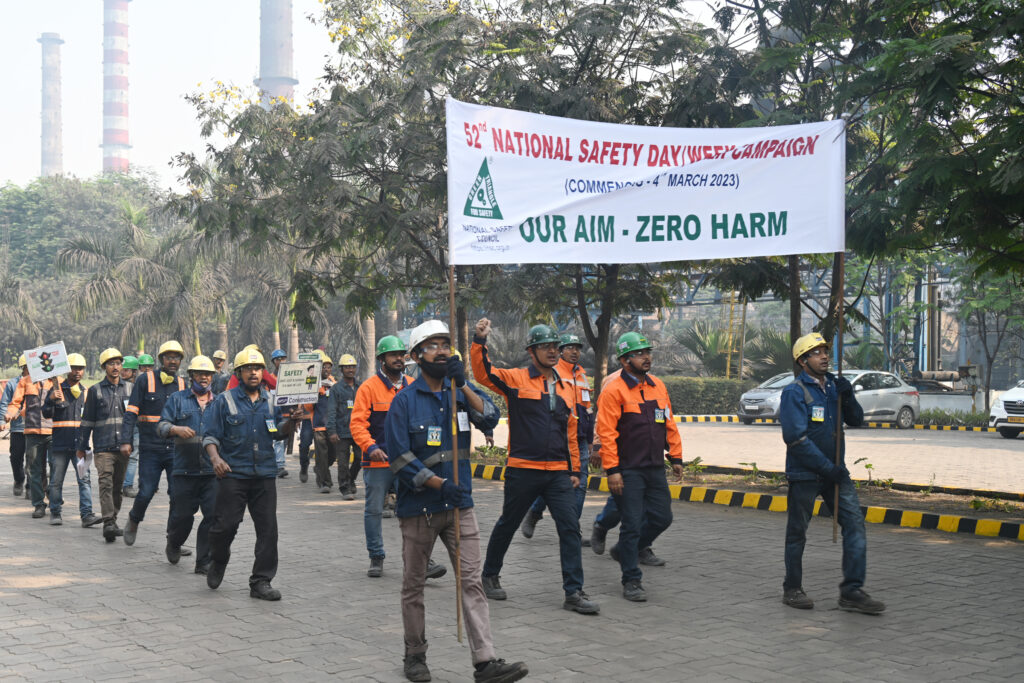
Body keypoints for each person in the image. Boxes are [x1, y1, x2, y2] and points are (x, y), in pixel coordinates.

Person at [384, 320, 527, 683]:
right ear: (416, 356)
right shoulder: (403, 402)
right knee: (414, 585)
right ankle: (415, 654)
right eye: (432, 346)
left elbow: (490, 416)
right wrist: (436, 483)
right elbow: (399, 458)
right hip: (419, 509)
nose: (442, 351)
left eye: (446, 344)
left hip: (460, 506)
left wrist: (463, 383)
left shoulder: (459, 392)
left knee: (472, 582)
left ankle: (485, 661)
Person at [471, 318, 598, 615]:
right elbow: (483, 374)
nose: (553, 351)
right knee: (508, 523)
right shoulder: (515, 379)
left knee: (569, 528)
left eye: (555, 346)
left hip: (557, 473)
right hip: (523, 468)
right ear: (532, 351)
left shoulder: (565, 386)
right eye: (545, 346)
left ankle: (574, 592)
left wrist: (574, 470)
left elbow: (570, 431)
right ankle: (489, 574)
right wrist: (479, 342)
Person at [780, 333, 885, 614]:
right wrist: (829, 468)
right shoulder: (795, 392)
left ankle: (851, 591)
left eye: (825, 351)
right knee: (797, 533)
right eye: (816, 353)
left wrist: (848, 396)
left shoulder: (832, 390)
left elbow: (856, 420)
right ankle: (792, 588)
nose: (824, 356)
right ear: (803, 361)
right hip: (806, 475)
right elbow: (795, 439)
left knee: (855, 525)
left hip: (836, 473)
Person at [201, 347, 296, 600]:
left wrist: (292, 421)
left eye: (257, 368)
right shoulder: (225, 401)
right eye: (248, 369)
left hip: (264, 474)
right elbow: (210, 435)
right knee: (224, 527)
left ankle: (261, 581)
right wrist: (215, 458)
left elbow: (278, 431)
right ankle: (219, 560)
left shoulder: (272, 401)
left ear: (263, 373)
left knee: (268, 529)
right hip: (233, 474)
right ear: (239, 372)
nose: (253, 372)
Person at [596, 332, 683, 602]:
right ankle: (631, 578)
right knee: (631, 523)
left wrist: (676, 456)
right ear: (624, 360)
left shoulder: (658, 386)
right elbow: (607, 433)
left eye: (647, 352)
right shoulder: (614, 390)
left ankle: (625, 549)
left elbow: (668, 422)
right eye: (639, 353)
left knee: (662, 517)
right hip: (628, 469)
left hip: (655, 466)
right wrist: (612, 471)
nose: (646, 357)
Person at [352, 335, 446, 581]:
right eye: (392, 355)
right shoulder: (368, 388)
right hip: (378, 462)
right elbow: (357, 424)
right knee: (373, 510)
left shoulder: (414, 385)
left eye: (401, 355)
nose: (398, 359)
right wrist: (370, 447)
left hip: (408, 462)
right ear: (382, 359)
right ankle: (376, 556)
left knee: (416, 510)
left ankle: (424, 560)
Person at [521, 332, 594, 540]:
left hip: (579, 439)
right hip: (557, 437)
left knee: (579, 483)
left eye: (577, 348)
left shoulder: (581, 375)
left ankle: (573, 530)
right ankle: (535, 512)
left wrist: (589, 440)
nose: (574, 351)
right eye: (570, 347)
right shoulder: (552, 372)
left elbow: (586, 409)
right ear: (560, 351)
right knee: (553, 483)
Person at [121, 341, 187, 548]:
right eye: (169, 357)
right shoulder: (144, 380)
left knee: (177, 495)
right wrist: (126, 441)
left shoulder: (183, 384)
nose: (173, 361)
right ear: (161, 360)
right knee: (146, 491)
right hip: (151, 448)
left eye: (177, 357)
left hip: (176, 450)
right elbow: (131, 412)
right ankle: (134, 519)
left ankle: (173, 540)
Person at [158, 355, 218, 575]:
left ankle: (203, 561)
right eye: (200, 373)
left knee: (211, 517)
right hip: (184, 471)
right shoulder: (177, 399)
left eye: (208, 374)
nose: (204, 377)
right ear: (191, 375)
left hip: (212, 472)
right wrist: (176, 429)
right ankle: (174, 542)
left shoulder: (220, 402)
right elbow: (161, 425)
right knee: (182, 517)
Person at [78, 348, 132, 541]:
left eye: (118, 363)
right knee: (105, 483)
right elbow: (87, 421)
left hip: (124, 448)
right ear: (104, 367)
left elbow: (134, 419)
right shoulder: (95, 391)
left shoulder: (130, 389)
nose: (115, 367)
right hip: (103, 447)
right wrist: (82, 446)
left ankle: (113, 519)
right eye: (111, 363)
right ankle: (108, 522)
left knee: (117, 487)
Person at [42, 353, 103, 528]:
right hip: (60, 444)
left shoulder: (87, 393)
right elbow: (46, 413)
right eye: (74, 368)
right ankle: (55, 512)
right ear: (67, 369)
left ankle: (86, 515)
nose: (77, 372)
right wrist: (51, 400)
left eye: (80, 368)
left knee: (84, 480)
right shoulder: (56, 390)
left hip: (80, 446)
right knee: (56, 481)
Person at [5, 359, 54, 518]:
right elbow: (14, 403)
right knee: (28, 465)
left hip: (53, 432)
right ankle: (36, 501)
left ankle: (52, 501)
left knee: (53, 467)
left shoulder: (56, 381)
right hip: (30, 431)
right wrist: (10, 413)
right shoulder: (23, 382)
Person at [327, 353, 361, 500]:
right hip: (342, 431)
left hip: (359, 430)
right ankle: (345, 488)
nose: (350, 369)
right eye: (347, 367)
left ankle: (351, 479)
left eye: (352, 366)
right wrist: (332, 431)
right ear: (341, 369)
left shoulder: (361, 386)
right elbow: (331, 411)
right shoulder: (336, 389)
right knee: (343, 462)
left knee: (360, 458)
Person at [1, 355, 29, 498]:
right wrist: (2, 421)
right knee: (16, 457)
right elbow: (5, 403)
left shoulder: (40, 384)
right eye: (28, 367)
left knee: (34, 458)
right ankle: (19, 480)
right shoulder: (13, 384)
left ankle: (31, 485)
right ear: (23, 367)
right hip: (18, 428)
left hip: (35, 428)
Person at [311, 351, 338, 494]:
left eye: (328, 367)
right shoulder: (312, 384)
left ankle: (320, 470)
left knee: (332, 455)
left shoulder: (334, 384)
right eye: (323, 367)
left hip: (333, 426)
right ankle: (325, 482)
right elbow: (309, 406)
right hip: (319, 425)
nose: (326, 370)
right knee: (322, 454)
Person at [120, 356, 141, 498]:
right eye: (122, 369)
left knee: (133, 457)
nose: (122, 372)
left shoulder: (138, 387)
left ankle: (127, 485)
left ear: (134, 372)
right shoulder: (117, 386)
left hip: (136, 426)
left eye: (126, 370)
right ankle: (118, 484)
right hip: (120, 425)